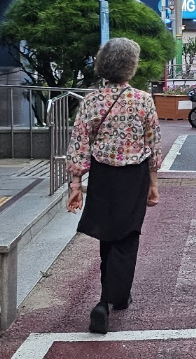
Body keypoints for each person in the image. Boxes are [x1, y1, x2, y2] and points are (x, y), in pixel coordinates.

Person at [66, 38, 160, 333]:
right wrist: (153, 184)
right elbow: (153, 144)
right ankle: (109, 299)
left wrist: (75, 185)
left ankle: (112, 296)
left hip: (103, 176)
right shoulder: (143, 100)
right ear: (131, 66)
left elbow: (79, 144)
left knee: (107, 235)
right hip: (134, 176)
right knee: (127, 236)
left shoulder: (91, 101)